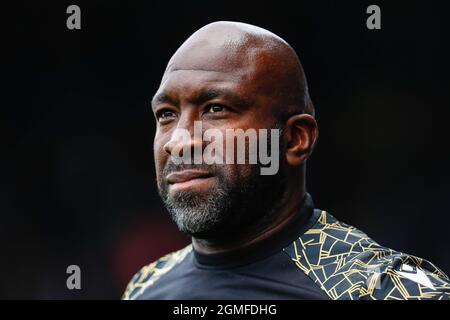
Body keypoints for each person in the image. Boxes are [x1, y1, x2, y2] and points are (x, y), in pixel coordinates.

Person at [123, 21, 450, 300]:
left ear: (295, 139)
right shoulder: (145, 287)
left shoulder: (383, 288)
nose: (179, 141)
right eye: (166, 114)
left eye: (216, 108)